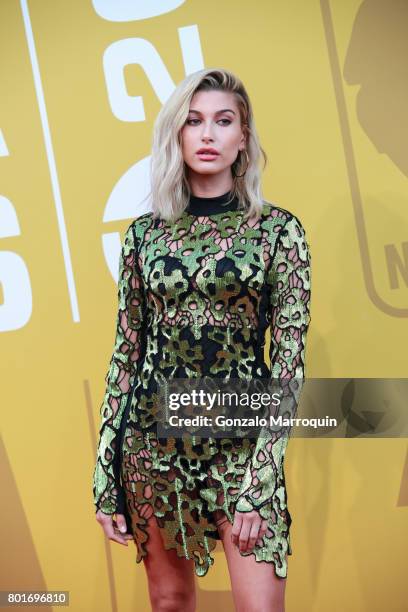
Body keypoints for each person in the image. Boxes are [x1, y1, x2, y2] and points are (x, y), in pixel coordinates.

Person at [92, 67, 312, 612]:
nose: (208, 134)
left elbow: (288, 363)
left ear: (244, 138)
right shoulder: (143, 236)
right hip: (153, 445)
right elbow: (127, 353)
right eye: (193, 121)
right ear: (177, 135)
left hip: (241, 446)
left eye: (223, 121)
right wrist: (104, 467)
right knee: (169, 602)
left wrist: (261, 480)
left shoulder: (279, 232)